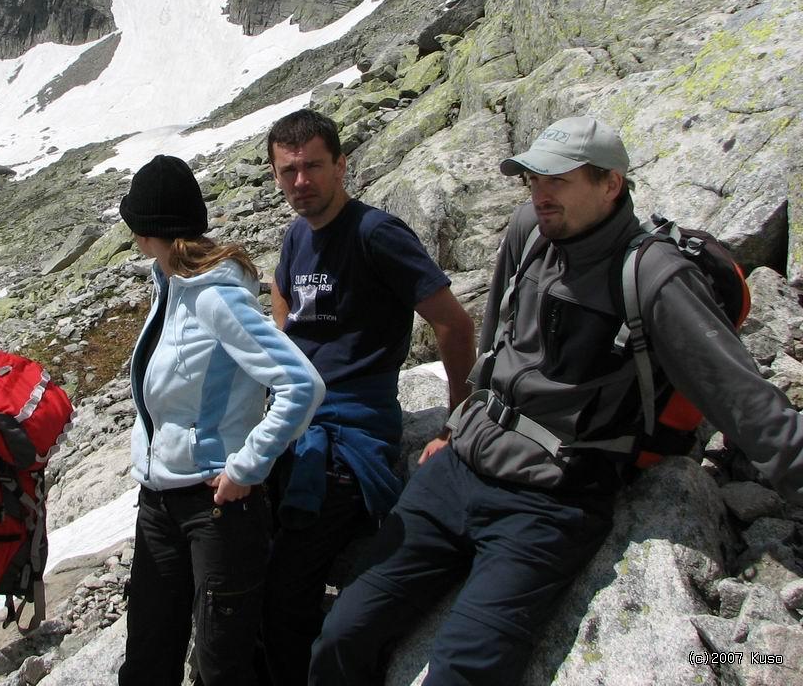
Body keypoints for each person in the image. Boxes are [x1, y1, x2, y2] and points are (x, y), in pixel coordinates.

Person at [309, 115, 803, 685]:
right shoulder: (529, 230)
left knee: (464, 669)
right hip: (458, 471)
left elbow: (749, 406)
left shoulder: (655, 278)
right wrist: (454, 425)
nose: (539, 195)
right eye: (532, 180)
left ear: (610, 185)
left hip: (549, 503)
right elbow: (494, 339)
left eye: (557, 181)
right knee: (343, 632)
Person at [260, 109, 476, 686]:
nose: (300, 182)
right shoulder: (296, 233)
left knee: (286, 579)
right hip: (296, 421)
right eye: (288, 171)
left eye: (312, 167)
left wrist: (458, 419)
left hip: (352, 431)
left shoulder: (375, 233)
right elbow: (283, 290)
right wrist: (289, 360)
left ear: (341, 166)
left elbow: (454, 325)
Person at [116, 154, 325, 686]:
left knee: (221, 667)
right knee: (146, 657)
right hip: (160, 503)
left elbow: (301, 385)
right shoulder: (168, 284)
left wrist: (246, 468)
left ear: (147, 232)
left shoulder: (213, 296)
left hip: (216, 508)